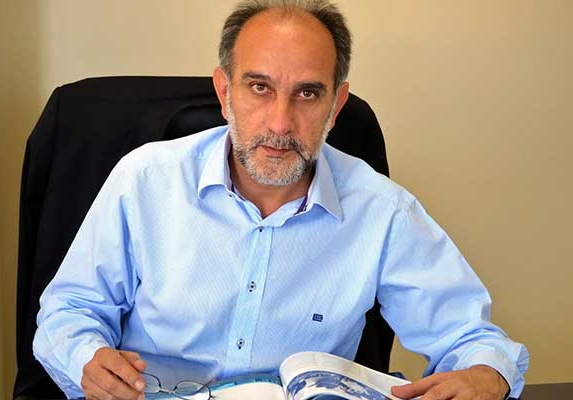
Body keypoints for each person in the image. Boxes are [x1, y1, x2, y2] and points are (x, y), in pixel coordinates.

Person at [33, 1, 529, 399]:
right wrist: (87, 361)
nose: (280, 123)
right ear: (224, 92)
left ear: (336, 105)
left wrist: (488, 375)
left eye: (307, 94)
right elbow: (69, 311)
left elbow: (472, 339)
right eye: (259, 87)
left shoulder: (382, 210)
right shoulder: (144, 181)